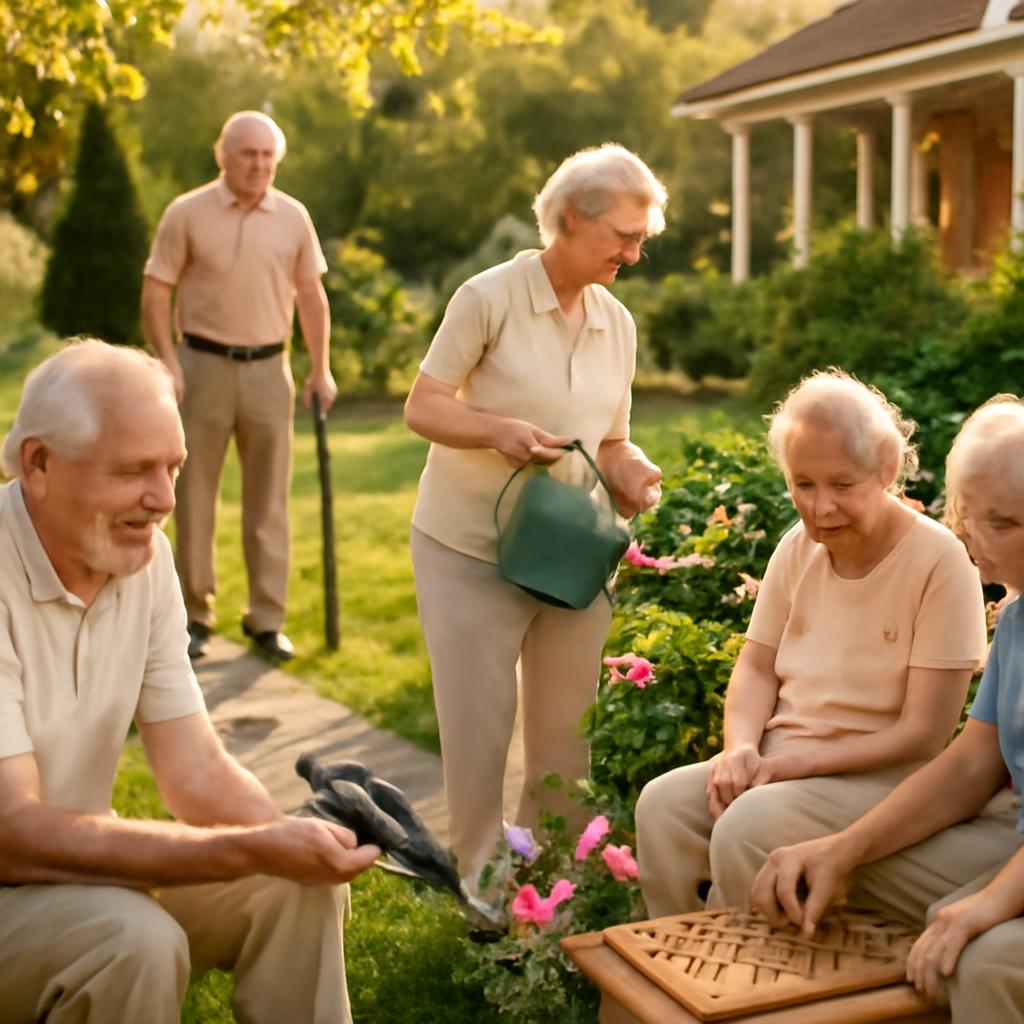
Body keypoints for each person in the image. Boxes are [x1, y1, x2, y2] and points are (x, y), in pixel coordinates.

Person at [0, 339, 379, 1024]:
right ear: (38, 464)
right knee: (133, 940)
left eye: (173, 467)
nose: (165, 499)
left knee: (294, 881)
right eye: (133, 471)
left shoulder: (143, 559)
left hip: (82, 878)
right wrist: (244, 847)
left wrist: (286, 840)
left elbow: (195, 768)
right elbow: (13, 833)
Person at [404, 143, 665, 888]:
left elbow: (609, 439)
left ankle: (550, 884)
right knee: (480, 728)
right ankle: (481, 883)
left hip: (570, 551)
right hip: (470, 548)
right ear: (571, 218)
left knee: (566, 736)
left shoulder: (617, 323)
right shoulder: (487, 298)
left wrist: (632, 469)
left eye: (641, 239)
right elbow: (423, 406)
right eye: (623, 236)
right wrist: (497, 432)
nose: (634, 254)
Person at [635, 370, 987, 917]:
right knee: (662, 806)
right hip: (781, 763)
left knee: (747, 825)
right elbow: (756, 667)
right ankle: (675, 954)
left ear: (886, 469)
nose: (821, 508)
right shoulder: (797, 547)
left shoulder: (940, 562)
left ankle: (743, 966)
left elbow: (924, 734)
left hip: (876, 781)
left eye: (842, 486)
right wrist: (740, 749)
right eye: (804, 485)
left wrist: (793, 765)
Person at [750, 396, 1024, 1023]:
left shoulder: (937, 565)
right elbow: (969, 766)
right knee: (807, 865)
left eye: (1003, 523)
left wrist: (984, 906)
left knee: (980, 953)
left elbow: (925, 739)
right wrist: (841, 849)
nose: (972, 539)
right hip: (1004, 834)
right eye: (967, 515)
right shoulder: (1016, 619)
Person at [141, 109, 337, 662]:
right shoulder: (187, 212)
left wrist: (320, 368)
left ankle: (267, 619)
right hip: (201, 367)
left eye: (267, 155)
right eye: (248, 154)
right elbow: (156, 290)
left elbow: (311, 295)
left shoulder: (293, 217)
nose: (258, 164)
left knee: (269, 501)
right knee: (192, 496)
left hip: (270, 370)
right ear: (223, 155)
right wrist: (167, 362)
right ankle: (193, 616)